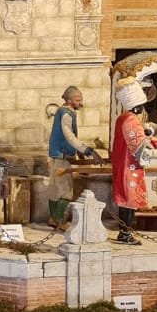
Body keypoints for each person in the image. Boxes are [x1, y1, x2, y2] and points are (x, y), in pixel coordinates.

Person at [110, 76, 157, 245]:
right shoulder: (131, 120)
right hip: (130, 167)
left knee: (126, 201)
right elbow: (139, 146)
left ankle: (125, 232)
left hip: (122, 164)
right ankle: (125, 233)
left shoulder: (123, 118)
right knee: (129, 202)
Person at [45, 86, 96, 225]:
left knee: (55, 189)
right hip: (61, 157)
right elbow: (69, 136)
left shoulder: (65, 112)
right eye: (77, 100)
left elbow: (69, 137)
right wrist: (88, 151)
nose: (81, 103)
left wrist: (78, 151)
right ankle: (58, 220)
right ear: (69, 100)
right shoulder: (66, 113)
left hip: (58, 156)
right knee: (65, 191)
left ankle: (54, 219)